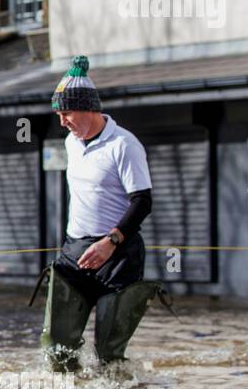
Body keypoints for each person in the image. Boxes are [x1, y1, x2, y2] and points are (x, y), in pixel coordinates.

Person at [40, 55, 162, 371]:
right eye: (58, 114)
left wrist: (110, 242)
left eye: (66, 113)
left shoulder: (124, 145)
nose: (62, 121)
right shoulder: (71, 142)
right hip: (75, 252)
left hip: (118, 255)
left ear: (89, 108)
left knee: (108, 355)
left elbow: (142, 202)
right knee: (57, 349)